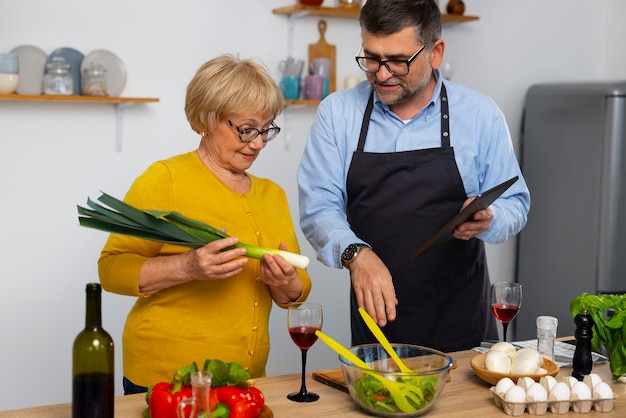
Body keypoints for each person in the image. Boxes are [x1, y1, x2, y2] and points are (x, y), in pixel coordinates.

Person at [297, 0, 530, 352]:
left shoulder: (480, 114)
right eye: (371, 58)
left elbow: (516, 203)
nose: (382, 73)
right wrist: (356, 254)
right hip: (378, 327)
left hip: (461, 322)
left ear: (435, 53)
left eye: (397, 61)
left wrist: (489, 217)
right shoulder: (337, 114)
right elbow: (319, 207)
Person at [99, 54, 312, 394]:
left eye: (266, 128)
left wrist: (285, 283)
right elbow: (111, 269)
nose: (257, 142)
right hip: (167, 379)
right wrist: (187, 266)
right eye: (246, 128)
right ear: (208, 119)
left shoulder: (273, 194)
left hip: (245, 378)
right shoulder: (164, 179)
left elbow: (295, 291)